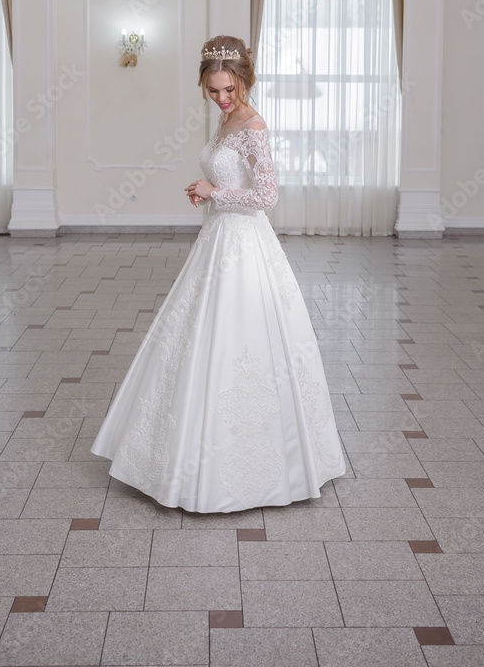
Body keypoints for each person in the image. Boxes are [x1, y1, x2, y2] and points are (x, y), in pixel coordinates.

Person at [91, 35, 346, 512]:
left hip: (245, 247)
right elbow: (232, 182)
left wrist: (217, 192)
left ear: (246, 79)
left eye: (230, 89)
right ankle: (179, 454)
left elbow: (267, 197)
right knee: (195, 342)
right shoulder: (227, 119)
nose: (223, 98)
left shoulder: (253, 124)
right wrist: (208, 192)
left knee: (243, 345)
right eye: (214, 91)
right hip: (216, 241)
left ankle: (255, 468)